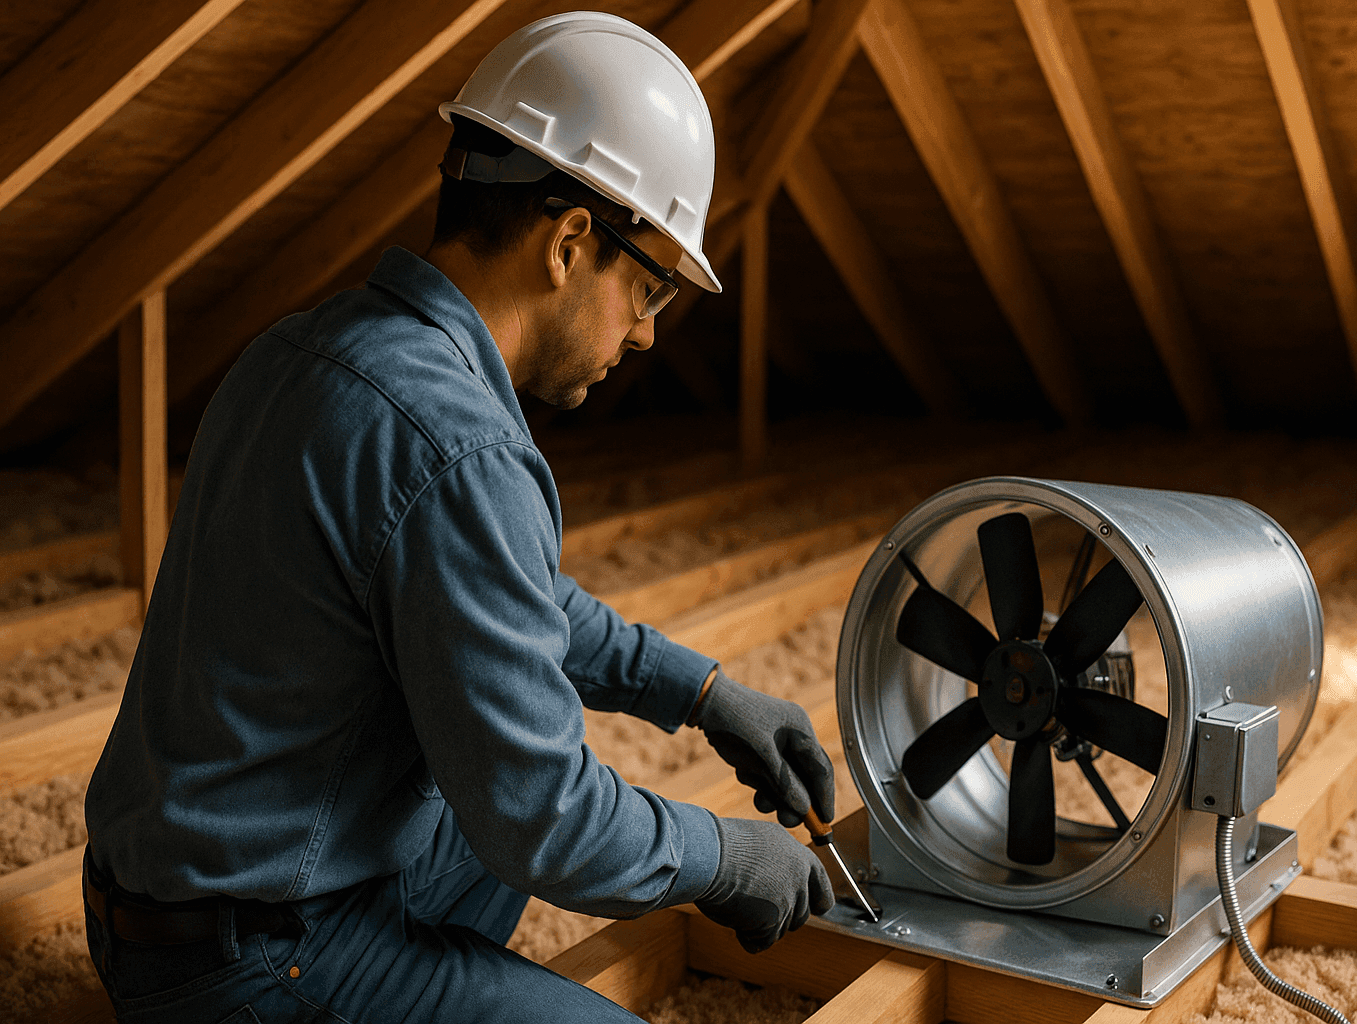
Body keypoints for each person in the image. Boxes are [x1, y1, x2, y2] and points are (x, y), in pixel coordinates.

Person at [81, 13, 835, 1023]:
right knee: (532, 803)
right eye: (648, 285)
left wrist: (698, 692)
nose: (649, 332)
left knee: (476, 771)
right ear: (570, 241)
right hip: (250, 961)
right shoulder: (460, 447)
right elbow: (548, 822)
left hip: (147, 898)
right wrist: (724, 853)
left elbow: (498, 590)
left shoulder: (300, 347)